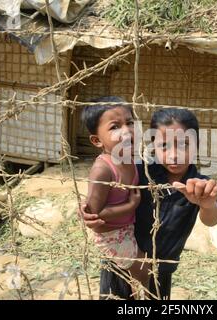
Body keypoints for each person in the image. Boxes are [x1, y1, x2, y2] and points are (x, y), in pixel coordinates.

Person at [80, 106, 217, 300]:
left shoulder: (199, 184)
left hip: (160, 270)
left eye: (184, 145)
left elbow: (211, 220)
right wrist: (87, 208)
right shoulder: (139, 171)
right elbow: (103, 191)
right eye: (164, 146)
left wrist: (208, 204)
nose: (174, 155)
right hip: (119, 264)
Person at [81, 96, 150, 295]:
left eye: (129, 123)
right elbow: (95, 214)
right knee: (146, 271)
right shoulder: (103, 170)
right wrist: (130, 206)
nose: (127, 131)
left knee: (134, 273)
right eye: (114, 127)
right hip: (111, 235)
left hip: (126, 229)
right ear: (96, 140)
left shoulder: (131, 160)